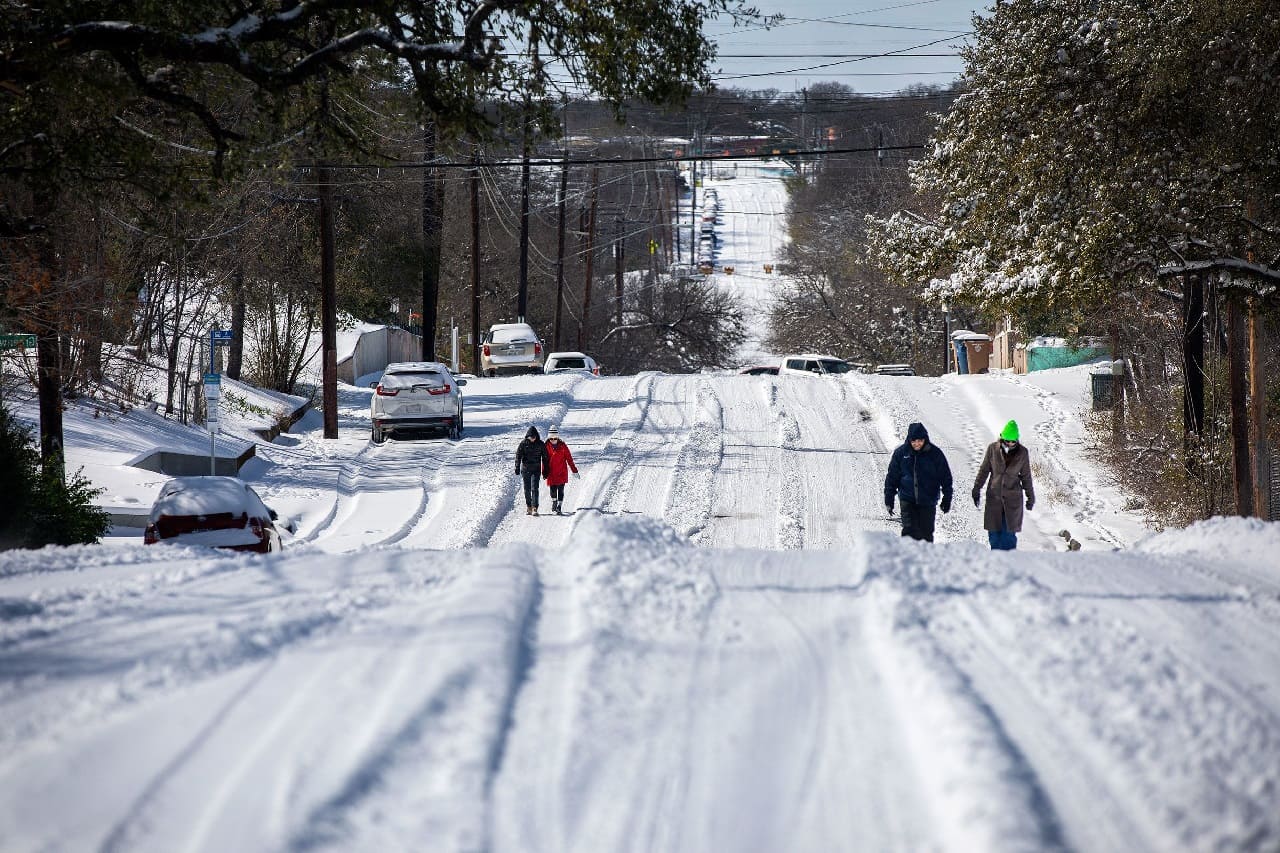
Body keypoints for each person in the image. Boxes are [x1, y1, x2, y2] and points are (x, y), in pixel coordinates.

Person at [884, 422, 953, 542]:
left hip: (928, 500)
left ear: (925, 439)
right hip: (907, 499)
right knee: (909, 532)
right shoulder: (901, 453)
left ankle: (926, 559)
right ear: (909, 440)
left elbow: (945, 477)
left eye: (920, 441)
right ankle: (908, 558)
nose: (917, 444)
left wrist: (947, 497)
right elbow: (892, 477)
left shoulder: (935, 454)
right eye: (914, 441)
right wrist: (889, 498)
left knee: (926, 534)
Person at [972, 419, 1035, 550]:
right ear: (1002, 438)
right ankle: (996, 566)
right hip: (994, 498)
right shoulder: (992, 449)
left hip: (1012, 500)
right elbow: (984, 470)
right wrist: (976, 489)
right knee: (994, 536)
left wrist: (1030, 497)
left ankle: (1009, 565)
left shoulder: (1022, 453)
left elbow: (1026, 476)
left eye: (1013, 441)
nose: (1010, 444)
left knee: (1008, 537)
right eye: (1008, 441)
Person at [543, 425, 580, 515]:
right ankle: (554, 502)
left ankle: (559, 506)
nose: (553, 440)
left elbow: (569, 459)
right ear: (549, 438)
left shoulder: (563, 446)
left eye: (555, 438)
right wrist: (544, 471)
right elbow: (544, 460)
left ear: (558, 438)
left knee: (560, 489)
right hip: (551, 472)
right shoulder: (546, 446)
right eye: (551, 439)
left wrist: (574, 470)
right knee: (552, 490)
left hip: (561, 471)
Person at [514, 425, 550, 516]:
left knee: (534, 488)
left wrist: (546, 470)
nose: (533, 439)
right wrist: (517, 467)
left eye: (534, 437)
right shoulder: (523, 444)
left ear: (536, 436)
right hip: (525, 469)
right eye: (531, 437)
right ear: (528, 436)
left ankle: (535, 508)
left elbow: (545, 458)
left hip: (536, 469)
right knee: (527, 489)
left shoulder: (541, 444)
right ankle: (529, 507)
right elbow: (518, 456)